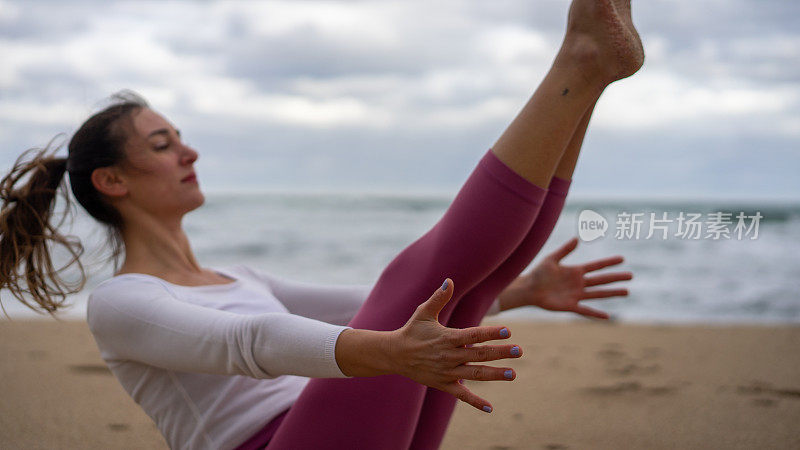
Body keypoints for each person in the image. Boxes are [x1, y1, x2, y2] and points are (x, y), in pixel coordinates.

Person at [0, 0, 642, 448]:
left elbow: (367, 308)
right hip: (279, 443)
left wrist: (525, 292)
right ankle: (580, 60)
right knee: (413, 287)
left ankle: (589, 80)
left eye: (180, 138)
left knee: (455, 296)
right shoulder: (121, 302)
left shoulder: (238, 276)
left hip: (347, 430)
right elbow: (246, 343)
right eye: (163, 144)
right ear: (112, 181)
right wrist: (387, 350)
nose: (189, 153)